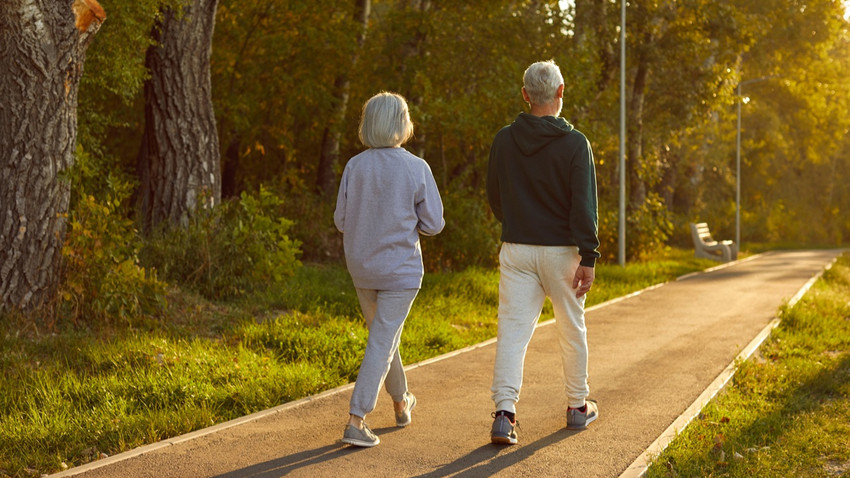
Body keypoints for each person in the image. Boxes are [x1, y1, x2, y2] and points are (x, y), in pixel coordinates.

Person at [486, 60, 601, 445]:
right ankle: (576, 406)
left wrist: (518, 222)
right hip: (562, 252)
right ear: (561, 92)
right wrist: (589, 256)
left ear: (525, 95)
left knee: (512, 332)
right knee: (572, 329)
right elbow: (584, 206)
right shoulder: (575, 143)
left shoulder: (504, 139)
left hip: (517, 249)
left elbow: (494, 197)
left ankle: (504, 415)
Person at [334, 91, 445, 447]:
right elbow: (434, 224)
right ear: (401, 123)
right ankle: (356, 419)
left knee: (384, 338)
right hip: (400, 271)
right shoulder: (416, 168)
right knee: (382, 340)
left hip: (362, 269)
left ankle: (401, 403)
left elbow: (340, 220)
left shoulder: (354, 166)